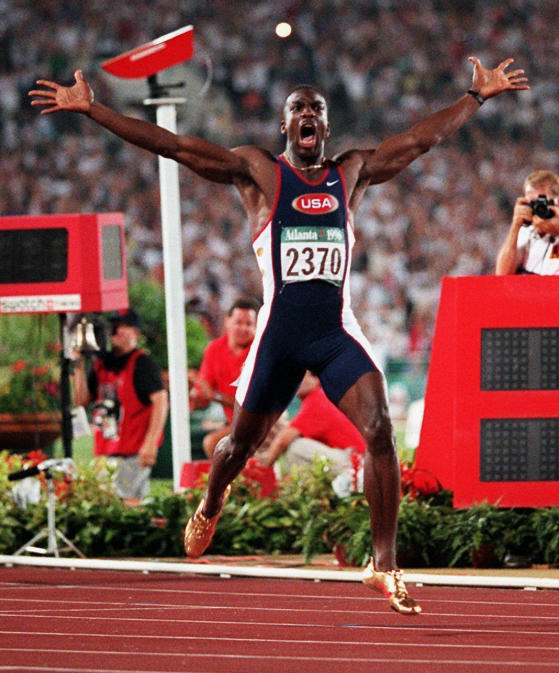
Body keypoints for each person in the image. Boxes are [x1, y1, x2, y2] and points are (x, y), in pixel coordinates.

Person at [32, 58, 527, 615]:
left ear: (327, 127)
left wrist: (476, 97)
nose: (309, 114)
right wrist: (94, 109)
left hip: (336, 332)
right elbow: (173, 146)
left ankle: (384, 564)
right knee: (239, 447)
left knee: (381, 429)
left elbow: (420, 141)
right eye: (298, 108)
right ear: (284, 125)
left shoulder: (352, 172)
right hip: (279, 336)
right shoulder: (258, 174)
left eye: (317, 108)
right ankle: (212, 502)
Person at [70, 311, 168, 507]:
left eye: (125, 326)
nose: (118, 330)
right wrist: (78, 366)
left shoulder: (142, 363)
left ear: (136, 334)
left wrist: (150, 444)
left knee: (128, 504)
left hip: (133, 451)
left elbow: (161, 401)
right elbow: (81, 401)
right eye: (115, 325)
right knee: (106, 503)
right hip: (106, 450)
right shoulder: (101, 364)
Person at [260, 372, 365, 489]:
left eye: (301, 376)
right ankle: (294, 489)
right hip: (352, 460)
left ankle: (290, 489)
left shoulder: (318, 398)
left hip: (354, 464)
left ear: (316, 380)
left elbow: (282, 440)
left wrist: (261, 471)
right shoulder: (322, 397)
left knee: (295, 447)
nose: (295, 381)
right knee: (297, 452)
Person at [189, 298, 260, 457]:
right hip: (235, 423)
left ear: (256, 326)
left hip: (261, 420)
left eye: (249, 324)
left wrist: (214, 395)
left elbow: (251, 405)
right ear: (227, 322)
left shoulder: (260, 352)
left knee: (213, 443)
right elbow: (203, 393)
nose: (243, 328)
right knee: (215, 443)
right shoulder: (214, 349)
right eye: (238, 322)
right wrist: (193, 395)